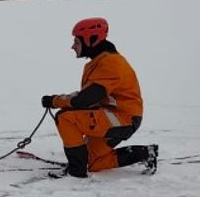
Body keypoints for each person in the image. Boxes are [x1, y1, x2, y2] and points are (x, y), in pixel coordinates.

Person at [41, 18, 158, 178]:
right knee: (93, 163)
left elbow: (84, 100)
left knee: (65, 118)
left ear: (91, 40)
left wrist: (54, 101)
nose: (73, 46)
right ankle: (145, 153)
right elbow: (87, 98)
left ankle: (76, 172)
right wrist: (59, 101)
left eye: (76, 41)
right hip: (115, 116)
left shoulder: (110, 64)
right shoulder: (101, 61)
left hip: (122, 118)